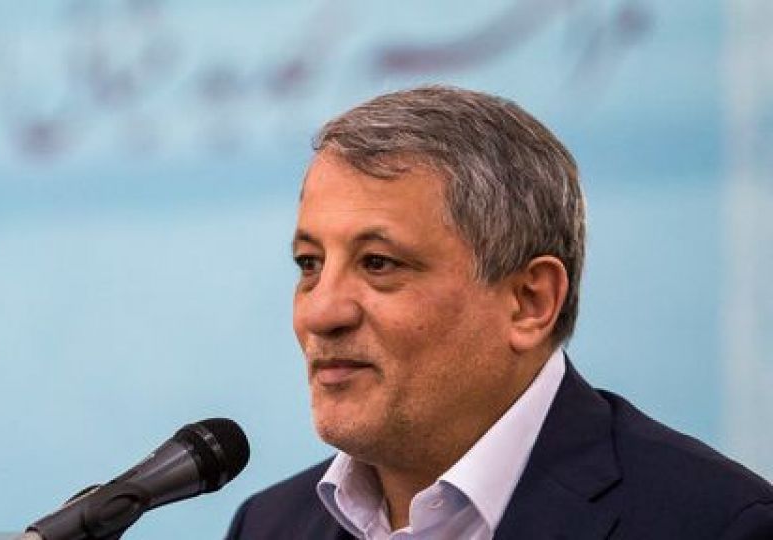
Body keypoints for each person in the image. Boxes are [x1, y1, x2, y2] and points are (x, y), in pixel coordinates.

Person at [225, 86, 773, 539]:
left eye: (378, 263)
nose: (321, 313)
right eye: (310, 264)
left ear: (530, 302)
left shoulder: (720, 525)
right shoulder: (267, 526)